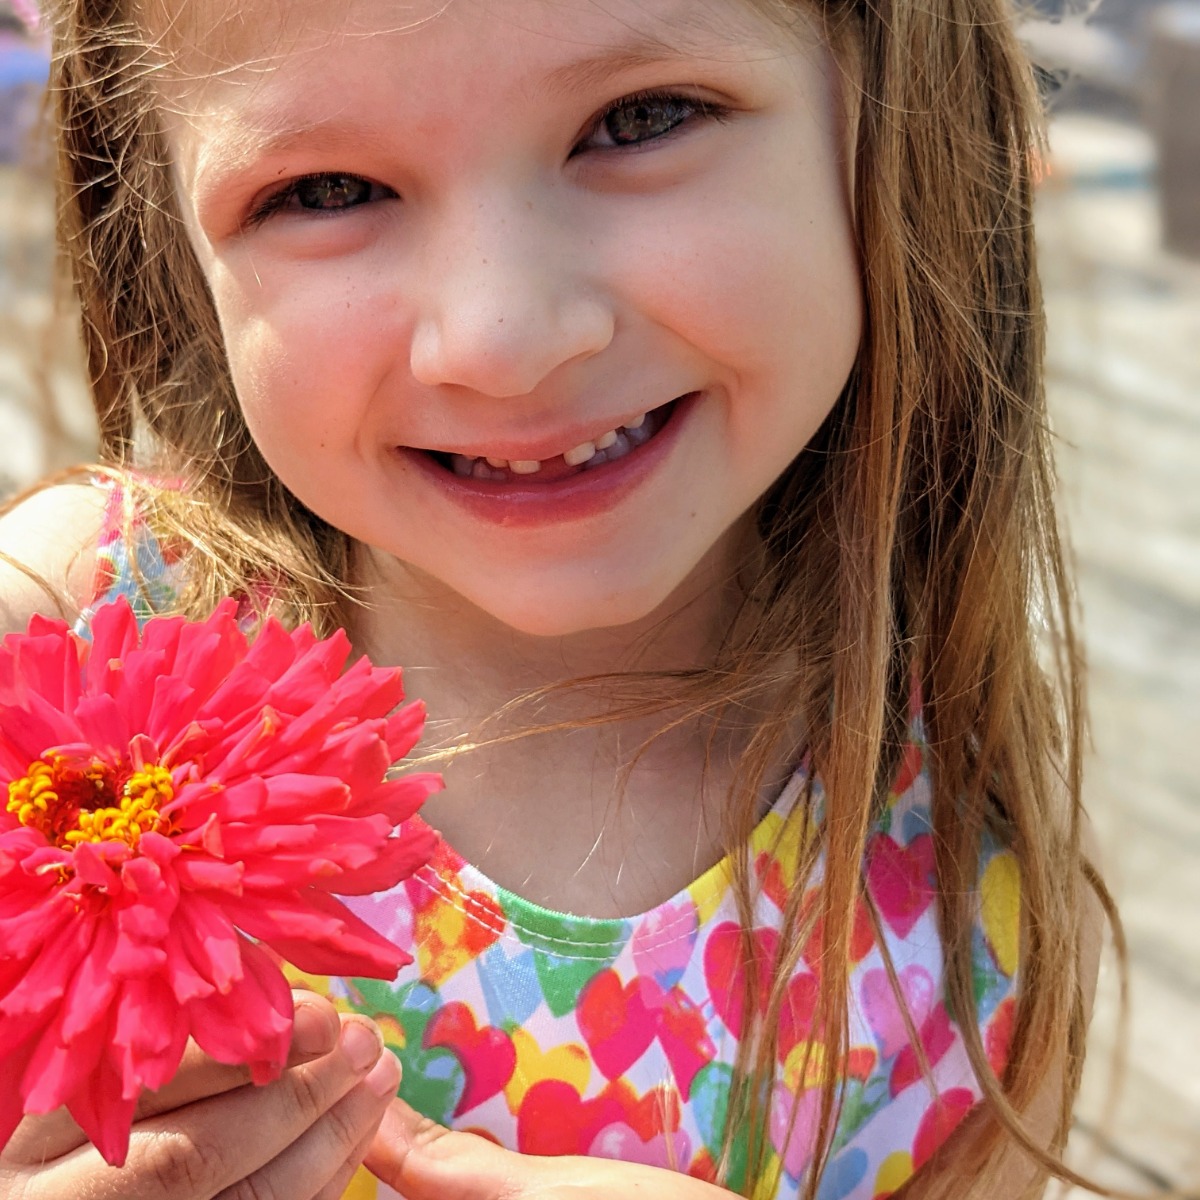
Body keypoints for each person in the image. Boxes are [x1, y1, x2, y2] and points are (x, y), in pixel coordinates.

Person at [0, 0, 1117, 1195]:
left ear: (899, 117)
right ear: (161, 226)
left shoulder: (963, 929)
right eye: (325, 191)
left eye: (640, 121)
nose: (501, 339)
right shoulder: (62, 634)